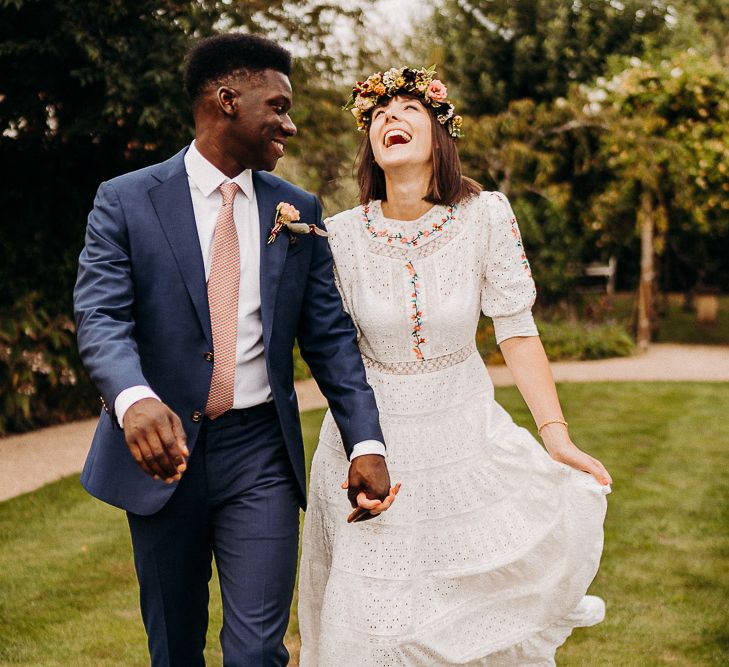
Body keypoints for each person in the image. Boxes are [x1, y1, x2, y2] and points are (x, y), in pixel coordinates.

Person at [73, 34, 398, 666]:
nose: (290, 123)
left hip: (260, 454)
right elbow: (100, 315)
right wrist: (133, 398)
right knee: (174, 649)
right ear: (227, 99)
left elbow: (329, 338)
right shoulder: (125, 200)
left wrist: (367, 442)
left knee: (256, 653)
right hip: (163, 454)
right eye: (277, 106)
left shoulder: (295, 209)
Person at [298, 66, 612, 666]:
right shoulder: (338, 236)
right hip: (371, 450)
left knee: (475, 612)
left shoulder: (485, 215)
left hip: (467, 442)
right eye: (379, 115)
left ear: (440, 132)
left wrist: (558, 437)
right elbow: (332, 351)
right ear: (369, 142)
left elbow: (516, 331)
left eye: (409, 109)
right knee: (375, 625)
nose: (392, 119)